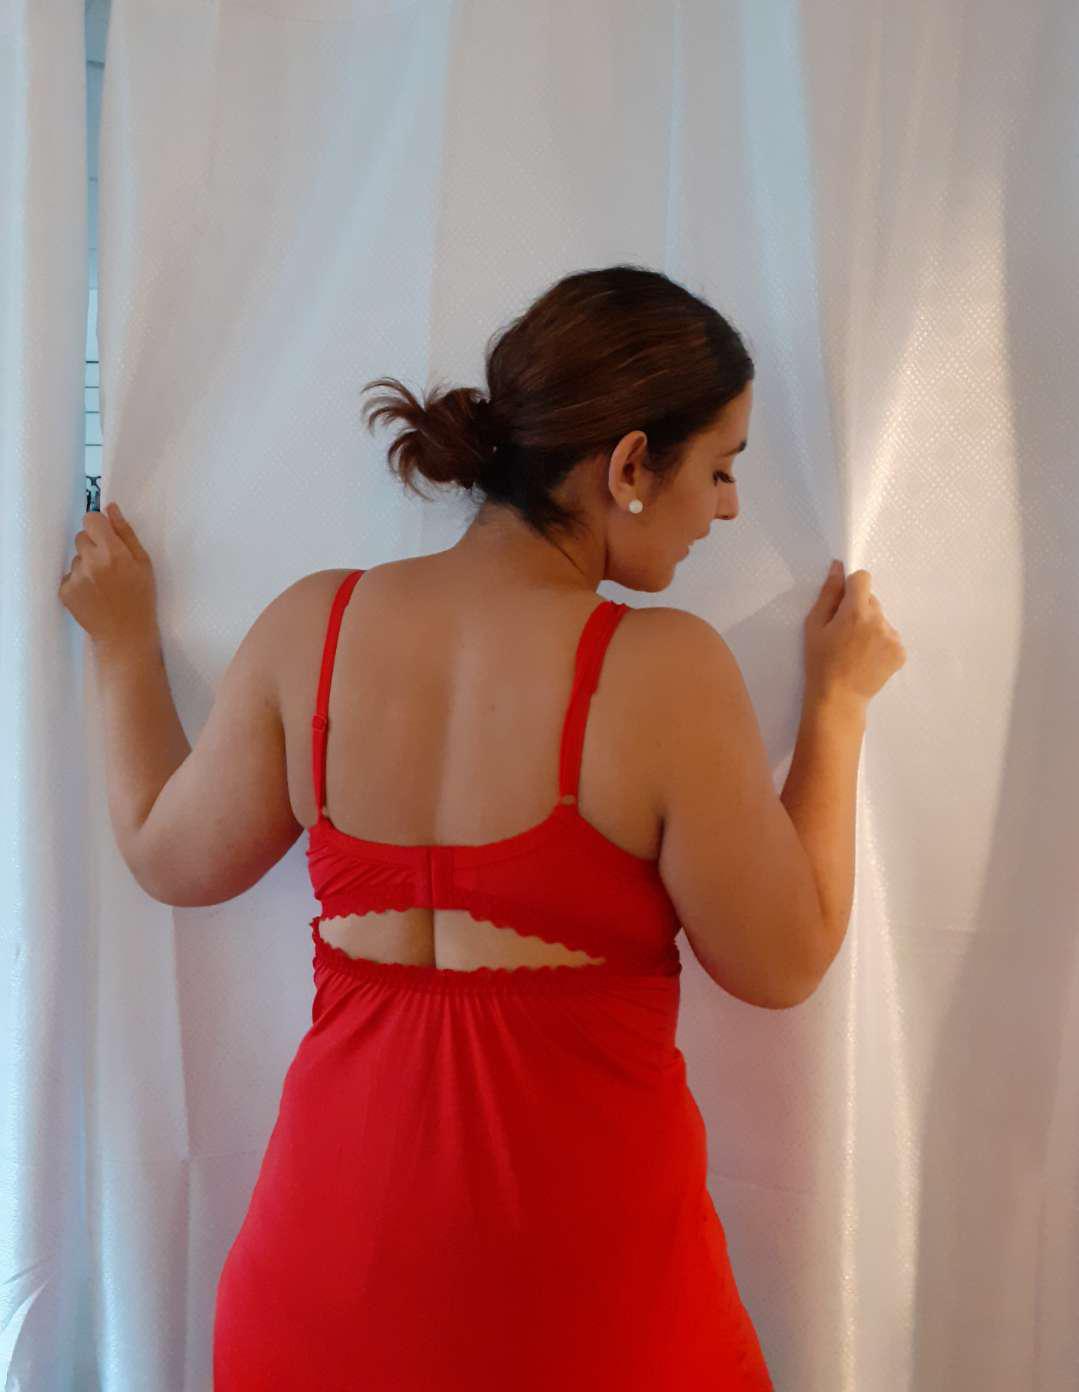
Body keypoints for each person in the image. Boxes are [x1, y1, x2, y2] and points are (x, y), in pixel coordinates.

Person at [62, 264, 905, 1388]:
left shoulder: (314, 625)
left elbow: (167, 855)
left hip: (317, 1297)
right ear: (628, 467)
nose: (729, 506)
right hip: (585, 1321)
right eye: (720, 467)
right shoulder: (662, 671)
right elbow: (780, 960)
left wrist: (122, 643)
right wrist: (838, 707)